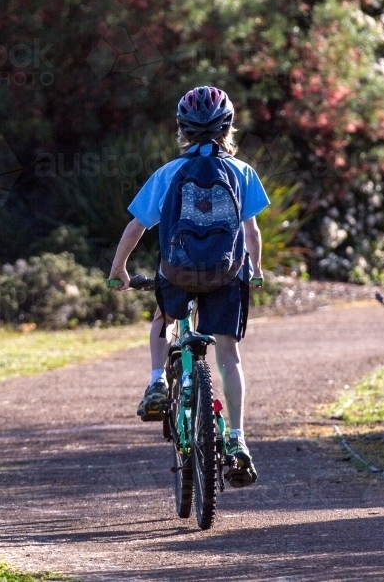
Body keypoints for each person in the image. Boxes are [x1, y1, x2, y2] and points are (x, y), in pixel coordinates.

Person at [108, 85, 269, 487]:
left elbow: (136, 227)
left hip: (176, 272)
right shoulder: (242, 172)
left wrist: (120, 270)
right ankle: (236, 438)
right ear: (228, 127)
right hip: (226, 274)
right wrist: (257, 270)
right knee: (228, 355)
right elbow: (252, 233)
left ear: (181, 130)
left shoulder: (168, 174)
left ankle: (157, 381)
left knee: (164, 317)